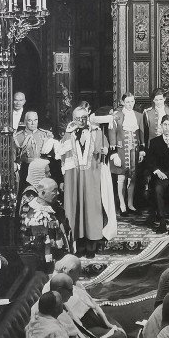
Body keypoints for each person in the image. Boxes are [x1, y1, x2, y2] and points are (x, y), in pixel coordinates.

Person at [57, 106, 117, 253]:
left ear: (87, 117)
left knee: (92, 208)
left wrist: (106, 150)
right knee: (75, 208)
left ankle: (92, 245)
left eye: (83, 118)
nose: (81, 121)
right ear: (73, 118)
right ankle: (78, 244)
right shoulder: (67, 134)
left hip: (92, 176)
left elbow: (105, 149)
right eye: (77, 118)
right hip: (74, 179)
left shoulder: (96, 132)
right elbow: (62, 157)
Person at [110, 92, 143, 214]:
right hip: (120, 151)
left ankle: (130, 204)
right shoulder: (116, 115)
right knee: (121, 178)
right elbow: (112, 133)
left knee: (132, 177)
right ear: (123, 102)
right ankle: (122, 204)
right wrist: (113, 154)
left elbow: (141, 134)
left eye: (132, 101)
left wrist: (142, 151)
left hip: (134, 151)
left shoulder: (138, 116)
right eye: (128, 102)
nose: (130, 104)